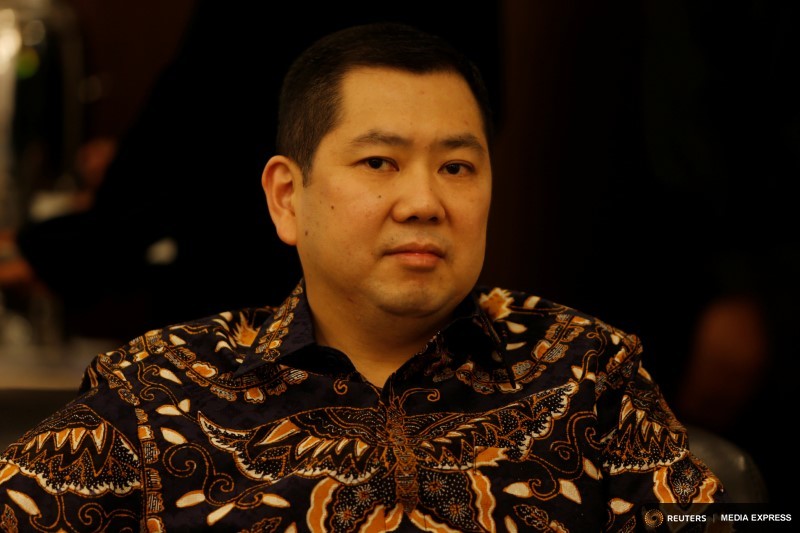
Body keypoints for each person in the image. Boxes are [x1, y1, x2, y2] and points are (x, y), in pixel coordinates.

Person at [0, 23, 726, 531]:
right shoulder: (159, 388)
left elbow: (738, 516)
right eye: (379, 162)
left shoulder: (586, 368)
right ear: (288, 196)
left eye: (457, 166)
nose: (424, 201)